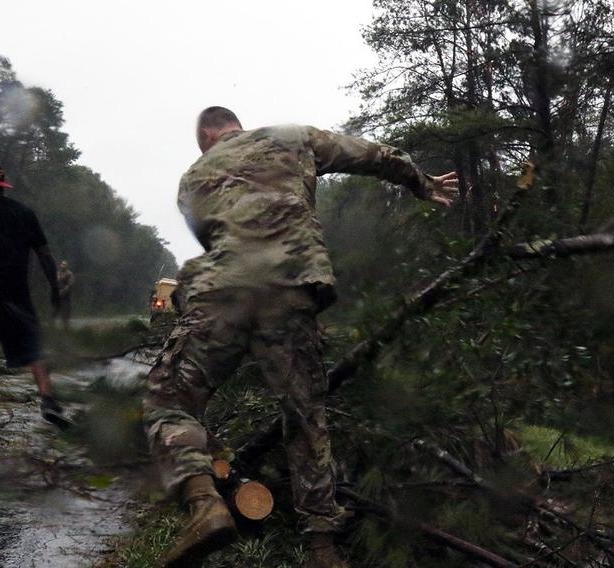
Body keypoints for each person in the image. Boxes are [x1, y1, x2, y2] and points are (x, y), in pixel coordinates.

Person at [144, 107, 458, 568]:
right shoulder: (292, 138)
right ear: (235, 125)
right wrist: (421, 183)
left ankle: (204, 504)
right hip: (292, 289)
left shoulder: (192, 178)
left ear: (208, 136)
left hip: (223, 293)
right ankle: (322, 547)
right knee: (305, 416)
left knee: (169, 400)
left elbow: (212, 238)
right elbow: (370, 154)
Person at [0, 161, 67, 428]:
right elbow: (44, 255)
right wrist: (55, 288)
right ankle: (48, 399)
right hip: (16, 295)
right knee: (34, 349)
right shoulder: (24, 213)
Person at [55, 260, 74, 330]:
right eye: (62, 264)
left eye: (65, 265)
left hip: (66, 294)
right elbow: (56, 282)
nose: (63, 266)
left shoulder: (69, 273)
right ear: (60, 265)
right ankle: (60, 319)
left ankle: (67, 321)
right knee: (59, 306)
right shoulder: (58, 273)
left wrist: (64, 290)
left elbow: (70, 284)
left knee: (67, 307)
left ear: (66, 266)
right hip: (59, 292)